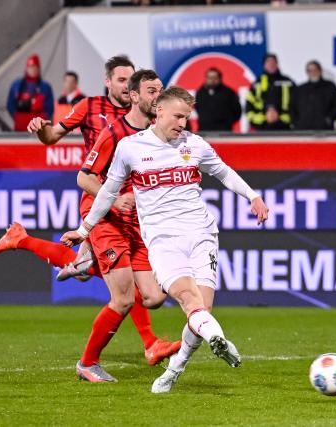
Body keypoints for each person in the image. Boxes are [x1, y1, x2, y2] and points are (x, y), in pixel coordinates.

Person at [60, 86, 270, 394]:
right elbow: (107, 192)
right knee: (189, 301)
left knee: (201, 312)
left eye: (187, 117)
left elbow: (224, 173)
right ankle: (216, 341)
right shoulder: (131, 148)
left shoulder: (194, 145)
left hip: (202, 235)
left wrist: (253, 196)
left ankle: (175, 370)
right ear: (158, 111)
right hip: (163, 241)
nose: (183, 124)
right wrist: (84, 229)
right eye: (178, 117)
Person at [0, 56, 178, 367]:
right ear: (109, 82)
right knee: (120, 280)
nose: (127, 86)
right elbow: (52, 139)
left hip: (131, 202)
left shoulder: (148, 118)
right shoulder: (92, 109)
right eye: (121, 80)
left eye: (131, 81)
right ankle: (145, 344)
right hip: (100, 196)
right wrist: (41, 128)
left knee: (106, 271)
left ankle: (23, 240)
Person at [73, 69, 182, 382]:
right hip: (105, 217)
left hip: (134, 224)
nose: (157, 97)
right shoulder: (114, 132)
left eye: (160, 90)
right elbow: (84, 177)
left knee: (155, 297)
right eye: (151, 91)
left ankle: (91, 264)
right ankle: (87, 364)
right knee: (121, 298)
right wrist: (113, 198)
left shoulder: (154, 135)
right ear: (134, 96)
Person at [245, 53, 295, 130]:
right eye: (268, 62)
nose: (271, 64)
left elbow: (297, 104)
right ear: (264, 65)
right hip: (262, 129)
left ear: (277, 64)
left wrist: (282, 119)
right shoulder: (257, 84)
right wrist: (262, 120)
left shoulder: (288, 82)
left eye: (273, 62)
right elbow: (248, 108)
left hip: (284, 128)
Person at [7, 54, 54, 131]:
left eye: (35, 68)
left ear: (39, 69)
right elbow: (10, 105)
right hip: (20, 128)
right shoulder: (17, 85)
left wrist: (42, 121)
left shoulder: (45, 86)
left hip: (39, 129)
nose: (33, 70)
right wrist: (17, 117)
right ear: (27, 68)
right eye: (31, 67)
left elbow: (50, 108)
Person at [290, 60, 336, 130]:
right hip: (303, 129)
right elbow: (292, 107)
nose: (313, 73)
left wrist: (329, 119)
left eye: (315, 70)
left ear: (320, 71)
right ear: (307, 72)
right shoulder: (300, 89)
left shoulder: (330, 87)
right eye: (310, 71)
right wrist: (296, 122)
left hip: (324, 130)